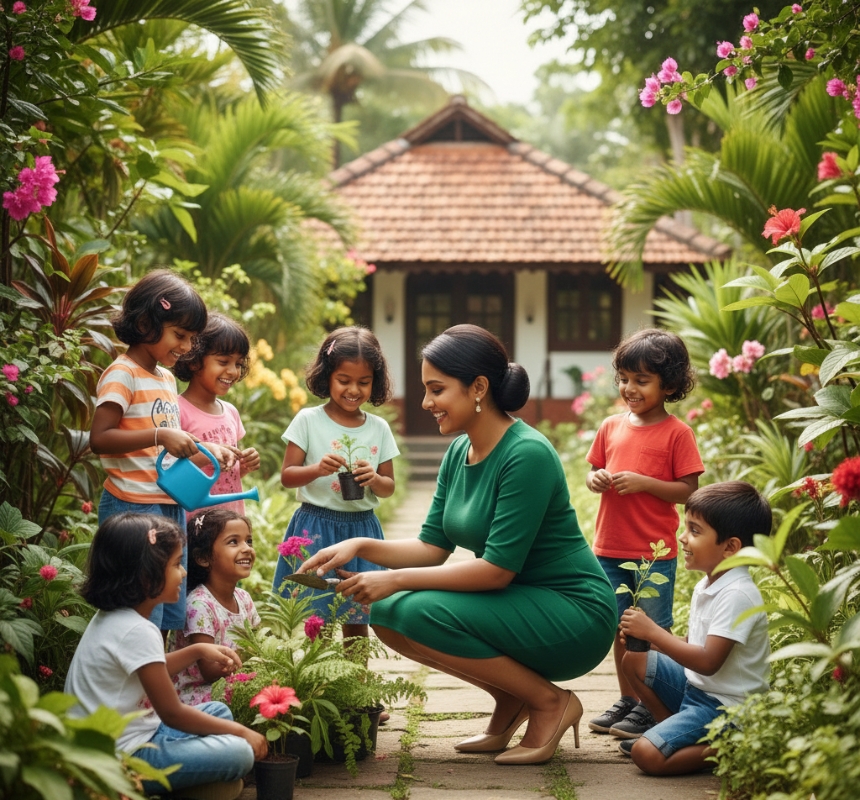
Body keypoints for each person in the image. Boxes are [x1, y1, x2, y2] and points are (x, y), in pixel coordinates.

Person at [298, 324, 617, 766]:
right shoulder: (459, 451)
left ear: (478, 388)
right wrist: (358, 545)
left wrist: (392, 579)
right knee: (387, 613)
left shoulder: (527, 455)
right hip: (520, 601)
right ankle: (512, 697)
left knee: (408, 606)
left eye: (437, 389)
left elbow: (495, 571)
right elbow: (432, 547)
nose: (426, 402)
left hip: (573, 613)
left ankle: (549, 702)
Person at [65, 513, 268, 799]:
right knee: (239, 753)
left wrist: (197, 650)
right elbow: (173, 714)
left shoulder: (117, 618)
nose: (184, 573)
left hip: (142, 733)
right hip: (121, 757)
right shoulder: (136, 630)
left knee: (218, 712)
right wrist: (241, 732)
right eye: (176, 565)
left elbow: (152, 670)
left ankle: (199, 783)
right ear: (146, 575)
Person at [89, 269, 237, 632]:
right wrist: (159, 435)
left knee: (167, 605)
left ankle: (158, 684)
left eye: (191, 338)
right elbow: (100, 438)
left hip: (167, 504)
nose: (186, 347)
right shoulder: (122, 374)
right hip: (132, 509)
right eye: (180, 336)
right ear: (144, 323)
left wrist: (207, 450)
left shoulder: (166, 378)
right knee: (139, 604)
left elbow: (169, 448)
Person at [585, 328, 704, 740]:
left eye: (641, 380)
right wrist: (596, 479)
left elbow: (689, 491)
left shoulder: (677, 433)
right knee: (619, 629)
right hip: (609, 547)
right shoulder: (610, 426)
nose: (629, 388)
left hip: (654, 553)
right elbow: (592, 470)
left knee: (650, 630)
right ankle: (628, 700)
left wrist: (646, 483)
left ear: (668, 384)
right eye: (624, 378)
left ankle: (654, 705)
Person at [617, 481, 772, 774]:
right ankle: (668, 732)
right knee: (635, 660)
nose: (683, 537)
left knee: (645, 755)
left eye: (694, 530)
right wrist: (648, 641)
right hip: (695, 690)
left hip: (726, 706)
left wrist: (653, 632)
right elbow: (691, 644)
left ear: (730, 547)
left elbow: (708, 662)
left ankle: (733, 744)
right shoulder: (708, 583)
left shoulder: (737, 593)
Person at [272, 326, 399, 645]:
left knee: (358, 616)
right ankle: (321, 685)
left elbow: (388, 487)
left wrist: (374, 478)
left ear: (376, 381)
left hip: (362, 530)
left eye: (364, 382)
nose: (353, 390)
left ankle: (356, 689)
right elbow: (287, 476)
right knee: (319, 617)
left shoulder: (379, 429)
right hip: (316, 524)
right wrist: (315, 469)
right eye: (344, 380)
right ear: (327, 376)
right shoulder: (307, 421)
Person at [170, 508, 261, 705]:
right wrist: (252, 658)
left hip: (236, 680)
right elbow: (210, 671)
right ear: (203, 558)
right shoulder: (199, 605)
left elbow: (260, 641)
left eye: (249, 541)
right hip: (199, 694)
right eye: (233, 542)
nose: (246, 548)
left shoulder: (244, 598)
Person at [174, 312, 260, 517]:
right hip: (194, 520)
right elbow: (171, 470)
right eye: (223, 362)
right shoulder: (177, 410)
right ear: (194, 361)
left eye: (238, 364)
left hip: (231, 517)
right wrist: (206, 455)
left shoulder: (230, 412)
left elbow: (229, 474)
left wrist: (244, 466)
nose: (233, 371)